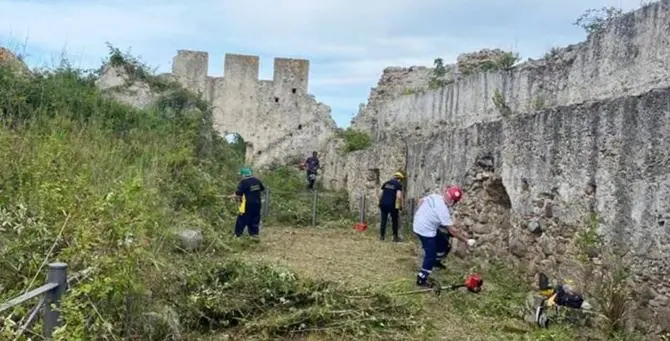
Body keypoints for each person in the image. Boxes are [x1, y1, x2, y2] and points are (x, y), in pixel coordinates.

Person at [412, 185, 476, 287]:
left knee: (443, 243)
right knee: (430, 255)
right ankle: (422, 278)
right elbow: (452, 231)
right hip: (425, 231)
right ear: (454, 202)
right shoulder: (443, 210)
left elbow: (420, 201)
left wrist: (425, 214)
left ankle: (436, 261)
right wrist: (466, 241)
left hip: (419, 223)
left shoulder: (434, 196)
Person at [233, 167, 265, 238]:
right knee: (255, 218)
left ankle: (238, 235)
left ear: (244, 175)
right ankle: (254, 234)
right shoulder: (257, 181)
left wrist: (235, 195)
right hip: (257, 204)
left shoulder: (243, 182)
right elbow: (262, 189)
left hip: (246, 204)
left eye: (241, 175)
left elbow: (238, 193)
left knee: (242, 219)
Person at [378, 172, 404, 242]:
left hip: (383, 204)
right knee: (394, 221)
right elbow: (398, 196)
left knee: (383, 220)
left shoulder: (386, 183)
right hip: (392, 205)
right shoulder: (398, 184)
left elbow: (380, 194)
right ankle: (395, 237)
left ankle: (382, 236)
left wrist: (380, 202)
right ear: (399, 179)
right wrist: (400, 206)